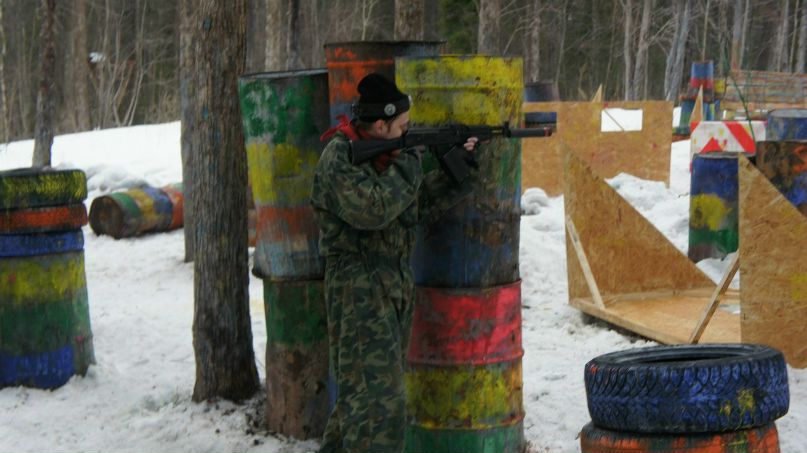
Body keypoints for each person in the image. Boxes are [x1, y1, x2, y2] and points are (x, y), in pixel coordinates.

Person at [310, 73, 477, 453]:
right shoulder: (339, 157)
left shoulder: (388, 157)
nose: (408, 134)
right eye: (403, 128)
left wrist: (458, 167)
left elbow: (412, 207)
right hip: (358, 289)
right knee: (377, 409)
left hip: (391, 282)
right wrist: (413, 160)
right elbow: (376, 209)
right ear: (381, 125)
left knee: (363, 402)